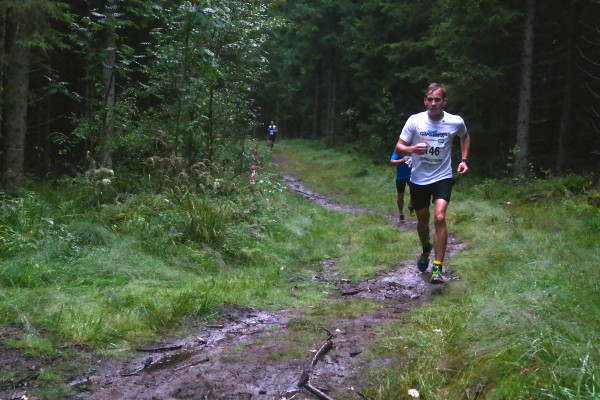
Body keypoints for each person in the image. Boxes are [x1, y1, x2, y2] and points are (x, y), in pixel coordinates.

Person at [395, 82, 470, 284]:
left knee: (439, 217)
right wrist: (412, 150)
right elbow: (399, 146)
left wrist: (463, 160)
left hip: (443, 177)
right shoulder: (415, 121)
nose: (433, 103)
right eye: (430, 99)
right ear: (425, 101)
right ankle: (425, 249)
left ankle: (438, 268)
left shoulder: (455, 121)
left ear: (444, 102)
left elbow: (465, 136)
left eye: (438, 100)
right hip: (418, 179)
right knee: (422, 220)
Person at [390, 150, 414, 223]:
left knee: (415, 192)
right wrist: (402, 160)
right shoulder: (398, 150)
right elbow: (392, 162)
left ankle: (411, 205)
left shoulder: (413, 149)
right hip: (400, 177)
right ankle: (401, 213)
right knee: (400, 196)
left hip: (411, 175)